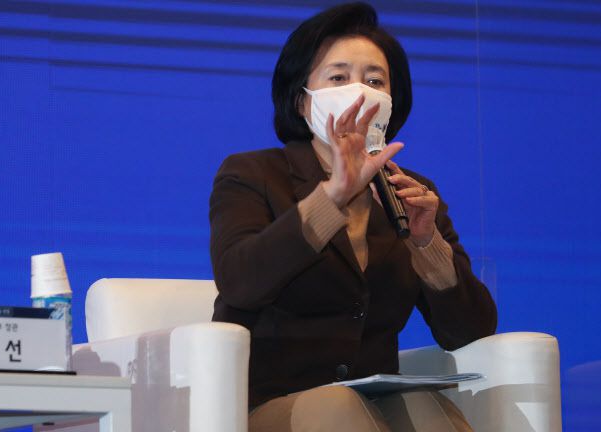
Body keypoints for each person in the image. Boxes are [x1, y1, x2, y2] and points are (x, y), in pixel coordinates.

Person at [209, 2, 497, 431]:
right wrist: (333, 196)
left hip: (371, 403)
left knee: (426, 409)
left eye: (374, 81)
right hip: (267, 403)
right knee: (336, 408)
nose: (359, 93)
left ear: (391, 102)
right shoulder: (253, 174)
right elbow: (240, 282)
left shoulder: (411, 192)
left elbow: (471, 331)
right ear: (302, 101)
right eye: (339, 78)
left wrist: (426, 244)